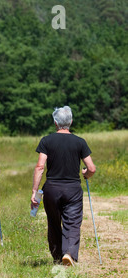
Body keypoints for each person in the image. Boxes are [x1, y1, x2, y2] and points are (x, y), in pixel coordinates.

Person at [31, 106, 96, 266]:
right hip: (72, 189)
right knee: (72, 222)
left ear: (55, 123)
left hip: (51, 188)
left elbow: (40, 167)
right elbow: (92, 168)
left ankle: (57, 257)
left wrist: (34, 191)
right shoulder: (80, 142)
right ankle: (69, 254)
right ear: (71, 122)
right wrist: (86, 174)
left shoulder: (46, 141)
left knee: (54, 222)